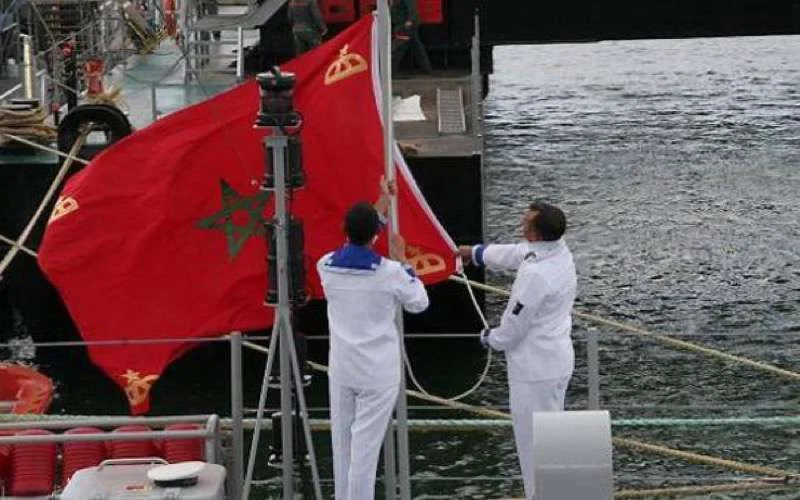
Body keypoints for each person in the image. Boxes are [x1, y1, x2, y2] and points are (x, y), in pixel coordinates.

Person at [317, 179, 429, 500]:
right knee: (365, 452)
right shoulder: (391, 272)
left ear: (344, 229)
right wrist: (404, 260)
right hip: (377, 373)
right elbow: (419, 303)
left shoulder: (325, 267)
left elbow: (360, 236)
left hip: (342, 368)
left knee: (343, 447)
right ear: (375, 235)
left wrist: (381, 202)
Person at [458, 201, 576, 500]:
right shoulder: (558, 251)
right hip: (556, 360)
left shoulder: (536, 275)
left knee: (533, 446)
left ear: (536, 234)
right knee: (553, 443)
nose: (521, 229)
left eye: (525, 226)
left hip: (533, 369)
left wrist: (489, 339)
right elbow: (516, 252)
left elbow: (513, 327)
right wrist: (477, 253)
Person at [390, 0, 432, 74]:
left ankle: (391, 71)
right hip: (403, 24)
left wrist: (410, 21)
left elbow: (412, 8)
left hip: (405, 25)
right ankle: (426, 69)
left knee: (398, 47)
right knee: (417, 48)